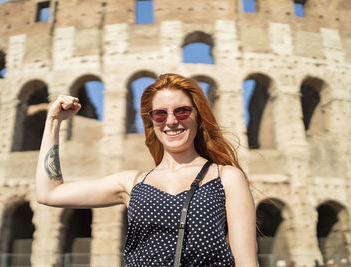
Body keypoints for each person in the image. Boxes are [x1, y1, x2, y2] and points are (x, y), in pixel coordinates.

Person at [36, 73, 257, 266]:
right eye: (160, 114)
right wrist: (53, 121)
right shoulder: (133, 184)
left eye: (181, 111)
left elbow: (246, 262)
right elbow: (50, 193)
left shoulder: (226, 178)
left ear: (197, 117)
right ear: (151, 122)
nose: (171, 121)